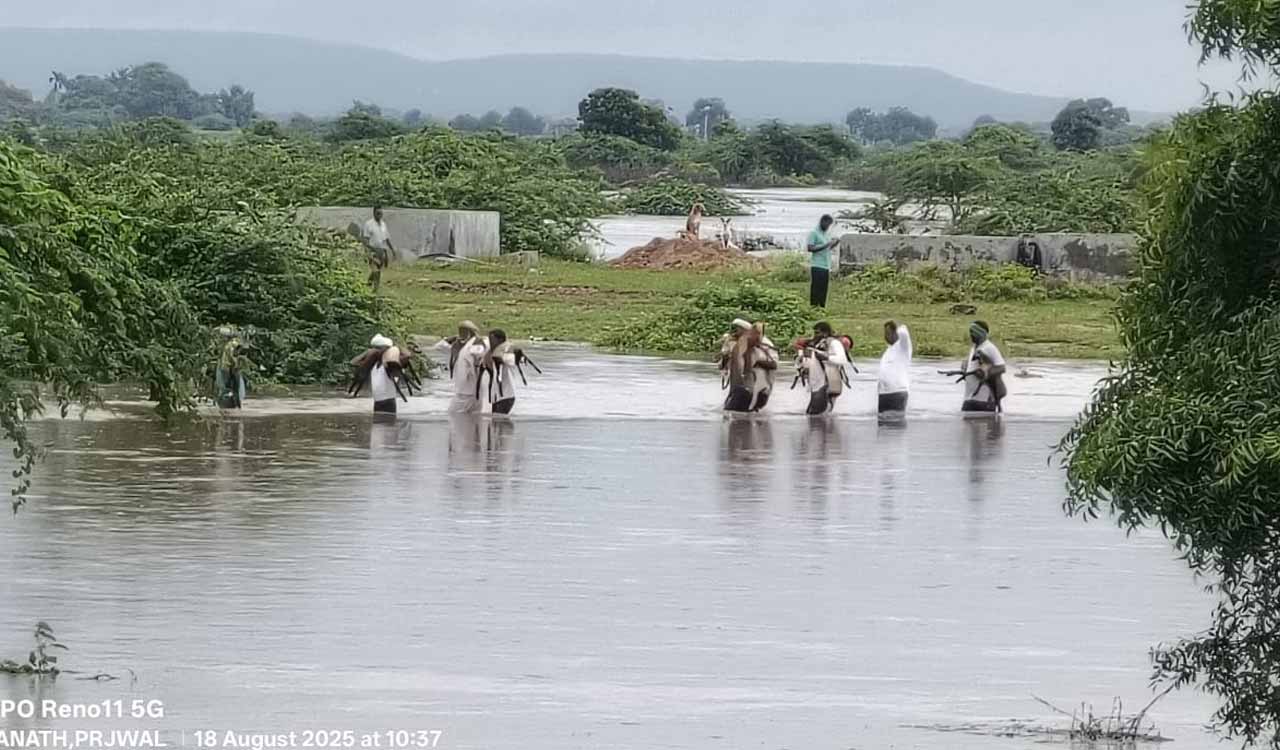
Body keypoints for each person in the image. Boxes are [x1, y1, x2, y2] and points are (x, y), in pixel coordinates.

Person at [718, 319, 779, 413]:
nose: (736, 332)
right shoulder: (733, 343)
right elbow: (723, 365)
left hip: (751, 389)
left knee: (734, 415)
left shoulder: (764, 346)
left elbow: (773, 365)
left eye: (738, 330)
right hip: (751, 389)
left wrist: (755, 363)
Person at [435, 321, 489, 414]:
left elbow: (479, 354)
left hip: (467, 393)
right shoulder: (458, 348)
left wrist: (475, 339)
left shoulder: (476, 345)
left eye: (462, 332)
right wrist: (453, 338)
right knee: (471, 421)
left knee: (453, 416)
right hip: (468, 392)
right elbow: (439, 346)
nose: (460, 335)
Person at [798, 322, 850, 415]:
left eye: (817, 333)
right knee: (813, 416)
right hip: (815, 385)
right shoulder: (815, 345)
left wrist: (827, 358)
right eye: (814, 333)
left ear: (825, 333)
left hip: (826, 384)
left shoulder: (834, 343)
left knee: (816, 415)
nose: (815, 335)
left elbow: (842, 359)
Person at [959, 320, 1008, 414]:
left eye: (973, 332)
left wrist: (985, 373)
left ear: (980, 333)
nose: (971, 335)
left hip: (983, 400)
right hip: (970, 398)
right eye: (970, 332)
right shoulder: (974, 348)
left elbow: (1001, 368)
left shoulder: (989, 348)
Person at [877, 320, 912, 416]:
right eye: (885, 333)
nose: (886, 336)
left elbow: (904, 332)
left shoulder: (903, 347)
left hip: (897, 391)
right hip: (884, 393)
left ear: (895, 333)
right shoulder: (888, 350)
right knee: (883, 426)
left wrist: (897, 328)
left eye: (889, 333)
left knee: (894, 424)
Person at [806, 214, 840, 308]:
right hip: (817, 265)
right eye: (827, 224)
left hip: (826, 265)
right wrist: (826, 244)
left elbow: (827, 248)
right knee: (816, 288)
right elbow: (810, 248)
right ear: (822, 222)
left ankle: (821, 306)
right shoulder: (814, 233)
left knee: (823, 288)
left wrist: (835, 243)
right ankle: (814, 306)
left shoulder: (825, 234)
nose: (828, 227)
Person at [214, 326, 251, 409]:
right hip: (230, 368)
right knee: (235, 389)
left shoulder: (228, 344)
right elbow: (233, 357)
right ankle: (236, 405)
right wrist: (236, 366)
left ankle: (229, 404)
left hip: (226, 368)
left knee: (227, 388)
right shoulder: (233, 344)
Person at [361, 206, 395, 291]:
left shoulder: (383, 224)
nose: (380, 215)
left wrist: (392, 250)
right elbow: (366, 239)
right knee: (376, 271)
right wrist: (367, 252)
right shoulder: (368, 224)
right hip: (372, 251)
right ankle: (375, 290)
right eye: (378, 213)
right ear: (374, 213)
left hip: (382, 251)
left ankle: (368, 283)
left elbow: (386, 239)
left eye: (381, 213)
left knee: (377, 270)